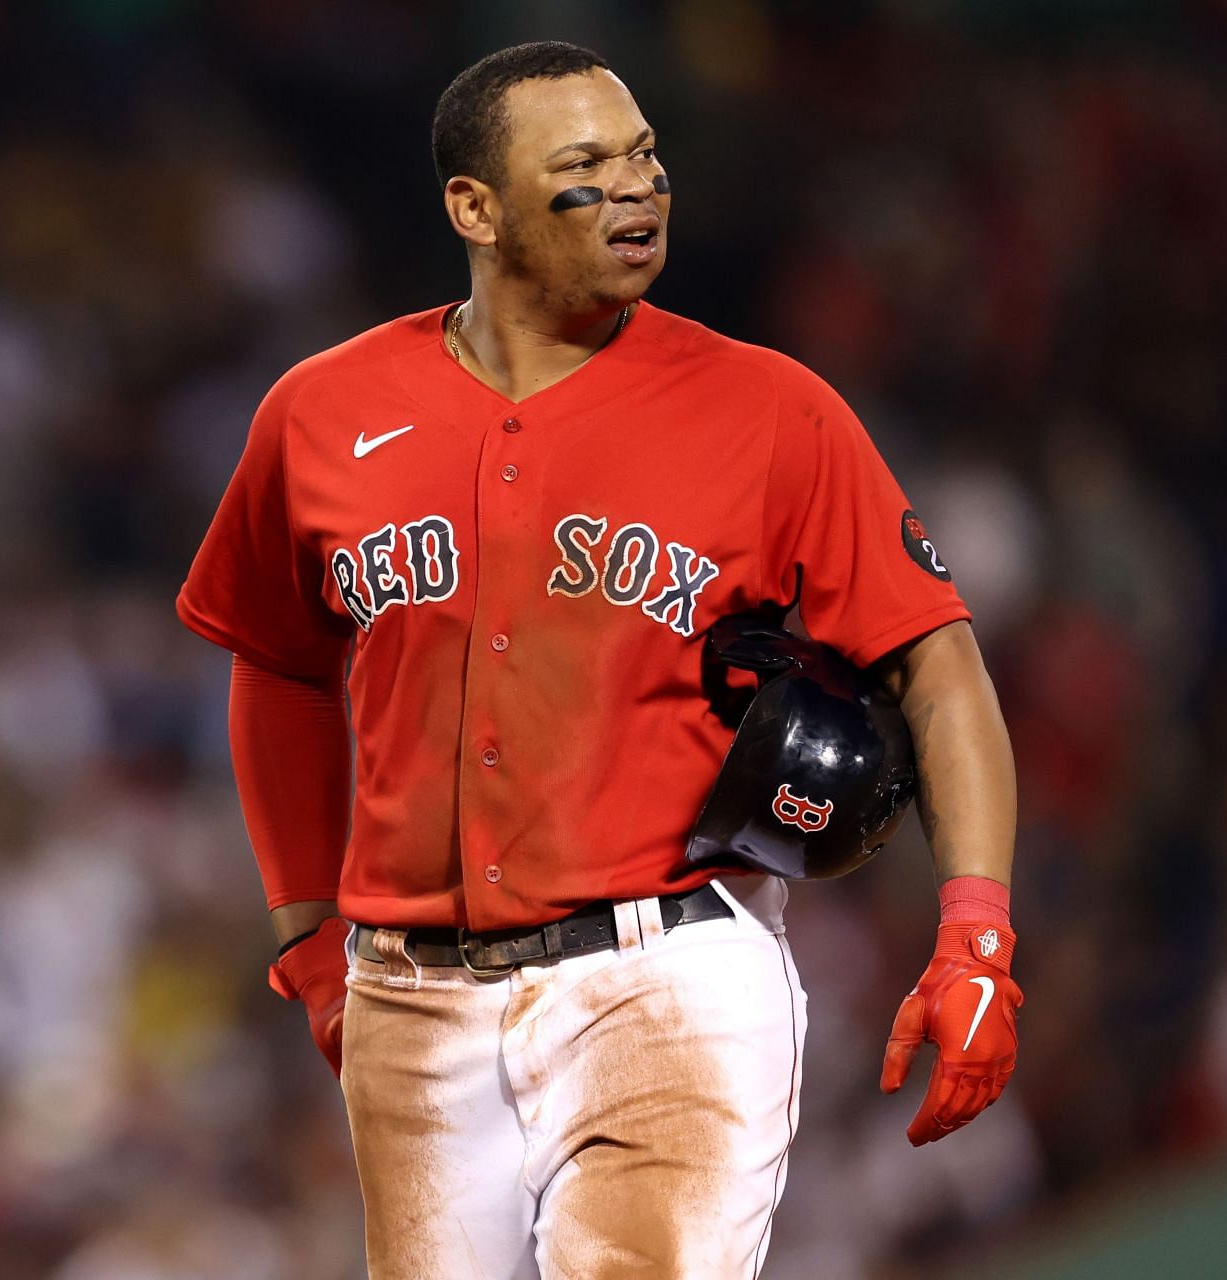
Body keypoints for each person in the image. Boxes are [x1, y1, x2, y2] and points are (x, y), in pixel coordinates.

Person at [176, 40, 1022, 1279]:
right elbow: (276, 662)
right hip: (410, 998)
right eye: (586, 167)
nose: (637, 189)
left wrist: (978, 931)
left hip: (668, 967)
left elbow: (938, 669)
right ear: (475, 206)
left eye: (645, 157)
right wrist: (309, 938)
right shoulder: (322, 410)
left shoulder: (769, 409)